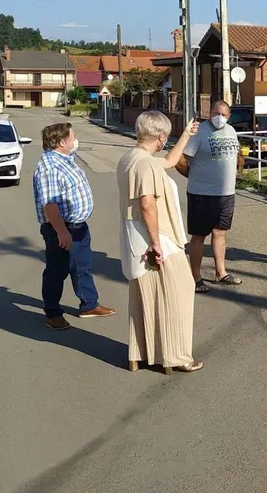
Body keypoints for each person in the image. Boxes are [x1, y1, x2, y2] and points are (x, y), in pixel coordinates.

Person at [117, 111, 203, 374]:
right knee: (180, 292)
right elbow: (147, 204)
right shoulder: (146, 165)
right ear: (161, 136)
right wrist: (156, 243)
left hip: (136, 238)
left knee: (146, 297)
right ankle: (177, 355)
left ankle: (140, 353)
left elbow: (168, 162)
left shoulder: (131, 158)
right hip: (160, 238)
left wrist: (187, 134)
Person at [33, 122, 115, 330]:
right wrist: (62, 232)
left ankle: (89, 305)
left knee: (82, 267)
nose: (75, 140)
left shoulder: (65, 158)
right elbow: (50, 204)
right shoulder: (49, 167)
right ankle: (52, 313)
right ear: (62, 142)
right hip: (61, 229)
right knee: (56, 271)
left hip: (78, 226)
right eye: (72, 137)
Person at [179, 101, 243, 293]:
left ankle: (220, 272)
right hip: (201, 194)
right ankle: (195, 277)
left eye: (223, 114)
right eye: (216, 113)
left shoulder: (231, 130)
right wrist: (194, 176)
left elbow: (237, 155)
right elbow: (181, 159)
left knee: (220, 233)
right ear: (209, 113)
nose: (219, 117)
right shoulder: (199, 132)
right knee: (199, 236)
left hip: (226, 193)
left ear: (229, 115)